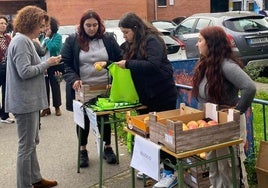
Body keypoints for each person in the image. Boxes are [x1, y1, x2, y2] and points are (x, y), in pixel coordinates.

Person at [115, 12, 178, 188]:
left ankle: (170, 173)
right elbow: (121, 54)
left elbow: (153, 65)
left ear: (135, 28)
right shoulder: (131, 42)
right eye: (123, 33)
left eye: (126, 32)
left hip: (162, 95)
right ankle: (153, 165)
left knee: (165, 136)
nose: (124, 36)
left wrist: (127, 64)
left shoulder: (152, 41)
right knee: (148, 133)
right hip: (145, 96)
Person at [192, 26, 256, 188]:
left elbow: (249, 87)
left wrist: (236, 111)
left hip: (228, 124)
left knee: (229, 167)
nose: (196, 44)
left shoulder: (226, 65)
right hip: (212, 122)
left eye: (200, 40)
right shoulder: (206, 64)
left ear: (211, 43)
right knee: (214, 165)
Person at [5, 5, 61, 188]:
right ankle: (24, 185)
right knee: (26, 147)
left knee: (31, 143)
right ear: (31, 23)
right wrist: (48, 63)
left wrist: (46, 63)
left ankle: (35, 179)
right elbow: (24, 71)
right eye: (41, 25)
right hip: (24, 102)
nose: (43, 29)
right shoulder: (21, 41)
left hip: (27, 101)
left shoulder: (24, 40)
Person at [61, 10, 122, 167]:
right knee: (83, 120)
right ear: (82, 25)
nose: (92, 28)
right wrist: (73, 79)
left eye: (95, 25)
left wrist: (115, 79)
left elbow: (119, 59)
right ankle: (83, 150)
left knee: (104, 117)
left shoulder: (108, 39)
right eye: (88, 25)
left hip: (105, 87)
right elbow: (65, 63)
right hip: (82, 88)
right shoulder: (72, 40)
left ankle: (107, 148)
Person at [40, 16, 63, 117]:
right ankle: (46, 108)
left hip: (54, 65)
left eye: (47, 25)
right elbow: (39, 50)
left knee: (55, 86)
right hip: (43, 66)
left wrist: (47, 38)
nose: (46, 28)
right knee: (43, 88)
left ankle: (57, 107)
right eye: (44, 26)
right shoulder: (40, 36)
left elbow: (53, 48)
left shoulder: (57, 36)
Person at [0, 15, 14, 124]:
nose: (3, 25)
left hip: (7, 67)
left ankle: (4, 115)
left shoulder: (8, 38)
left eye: (5, 23)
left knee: (6, 91)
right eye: (1, 23)